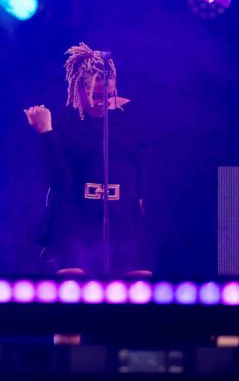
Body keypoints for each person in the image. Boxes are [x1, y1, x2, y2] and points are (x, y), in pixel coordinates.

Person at [25, 42, 148, 277]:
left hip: (125, 221)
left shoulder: (131, 121)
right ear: (80, 89)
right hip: (76, 223)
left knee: (139, 288)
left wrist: (141, 202)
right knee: (74, 287)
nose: (104, 102)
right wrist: (46, 133)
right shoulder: (64, 125)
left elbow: (143, 169)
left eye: (109, 95)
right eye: (96, 95)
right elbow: (60, 184)